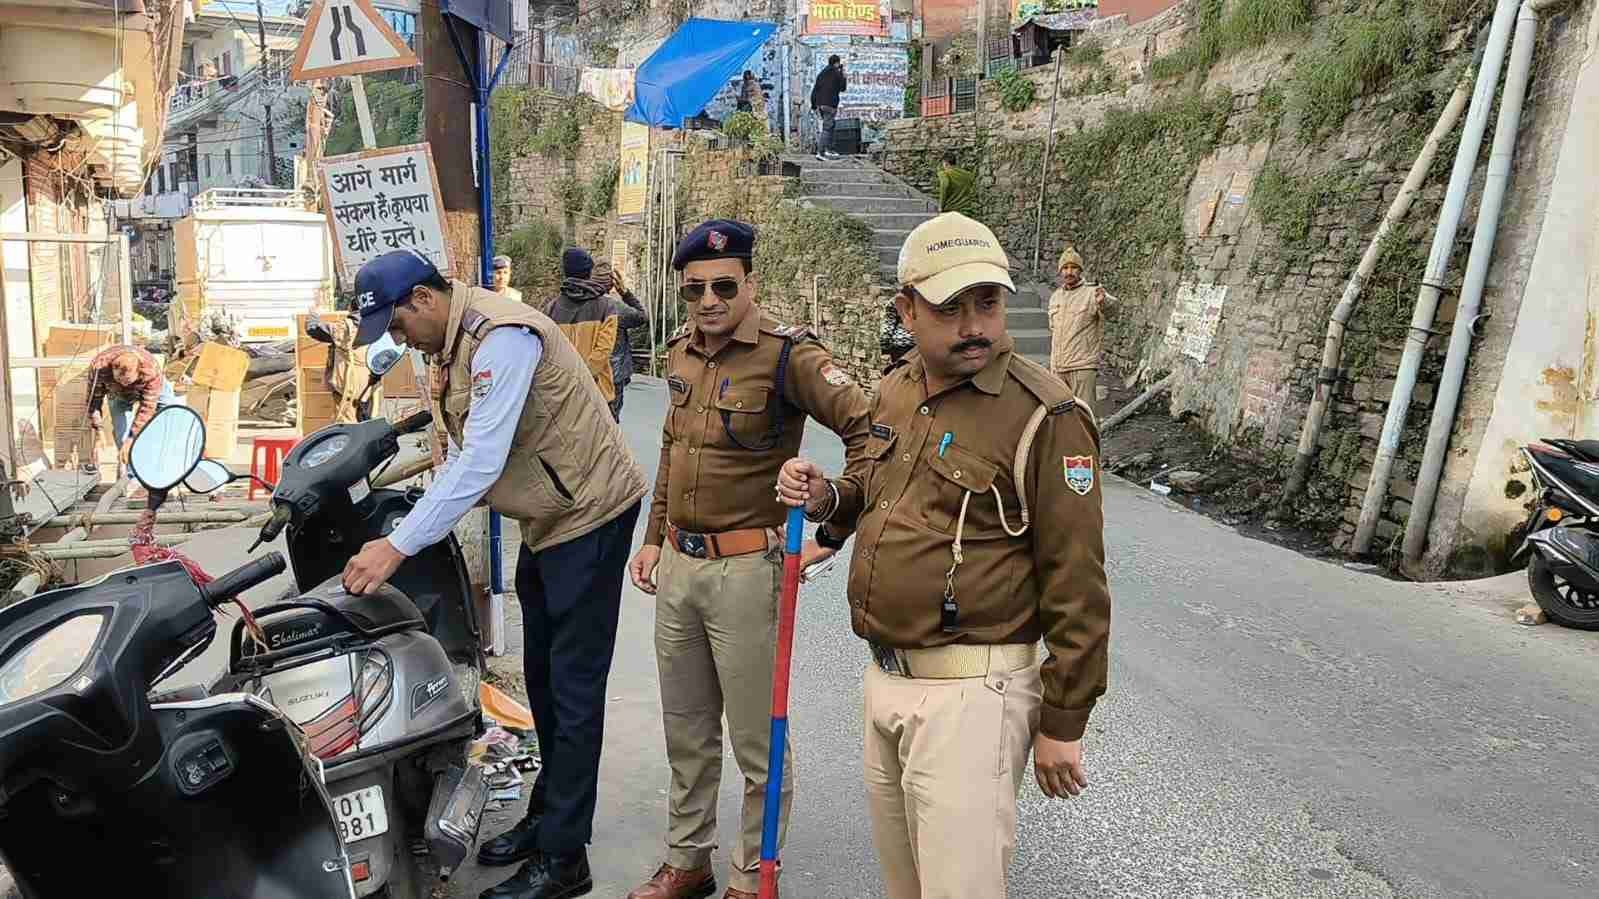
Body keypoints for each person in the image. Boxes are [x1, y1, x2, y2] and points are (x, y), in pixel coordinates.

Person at [775, 212, 1111, 899]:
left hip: (973, 696)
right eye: (950, 308)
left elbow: (1077, 580)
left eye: (987, 303)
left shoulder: (1045, 416)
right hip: (886, 678)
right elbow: (875, 488)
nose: (974, 326)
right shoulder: (897, 388)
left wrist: (1062, 721)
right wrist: (828, 498)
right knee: (905, 886)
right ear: (906, 310)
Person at [338, 250, 647, 899]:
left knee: (573, 688)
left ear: (423, 299)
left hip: (589, 512)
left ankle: (565, 858)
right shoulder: (453, 341)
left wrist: (396, 546)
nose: (401, 340)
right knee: (543, 678)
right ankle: (548, 815)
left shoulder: (500, 338)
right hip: (550, 516)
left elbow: (480, 462)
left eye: (398, 325)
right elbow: (461, 453)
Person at [624, 220, 872, 899]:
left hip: (746, 571)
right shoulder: (680, 352)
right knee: (686, 730)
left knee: (758, 740)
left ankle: (751, 876)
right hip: (680, 565)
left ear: (749, 284)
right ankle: (687, 861)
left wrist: (833, 517)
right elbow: (674, 450)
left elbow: (868, 431)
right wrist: (653, 536)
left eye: (724, 286)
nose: (708, 300)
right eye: (695, 289)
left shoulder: (788, 356)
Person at [544, 248, 649, 422]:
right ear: (611, 284)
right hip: (608, 380)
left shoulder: (552, 307)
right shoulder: (611, 307)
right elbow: (642, 317)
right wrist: (625, 293)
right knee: (607, 427)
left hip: (567, 382)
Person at [86, 344, 179, 483]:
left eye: (127, 380)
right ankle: (132, 476)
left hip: (150, 388)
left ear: (138, 371)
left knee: (169, 416)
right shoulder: (99, 368)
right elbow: (94, 400)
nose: (124, 384)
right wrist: (98, 428)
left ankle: (161, 463)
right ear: (112, 370)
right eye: (119, 379)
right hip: (117, 394)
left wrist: (133, 438)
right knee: (122, 433)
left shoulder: (150, 370)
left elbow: (147, 407)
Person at [1048, 245, 1116, 413]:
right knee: (1061, 416)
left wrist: (1104, 301)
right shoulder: (1055, 296)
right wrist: (1053, 366)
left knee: (1084, 415)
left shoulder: (1093, 292)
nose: (1069, 272)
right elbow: (1054, 331)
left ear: (1080, 270)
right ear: (1060, 271)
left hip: (1082, 367)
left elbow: (1113, 310)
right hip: (1058, 368)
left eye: (1074, 267)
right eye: (1065, 268)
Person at [809, 54, 847, 161]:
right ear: (837, 63)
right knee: (827, 128)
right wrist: (843, 75)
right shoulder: (837, 73)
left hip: (820, 104)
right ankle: (820, 152)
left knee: (831, 126)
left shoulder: (821, 74)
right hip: (830, 105)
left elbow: (815, 90)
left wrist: (813, 105)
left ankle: (829, 149)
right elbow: (843, 88)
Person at [935, 151, 977, 218]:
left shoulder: (944, 174)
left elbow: (944, 185)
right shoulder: (967, 174)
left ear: (945, 163)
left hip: (951, 211)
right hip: (966, 210)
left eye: (942, 163)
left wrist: (941, 206)